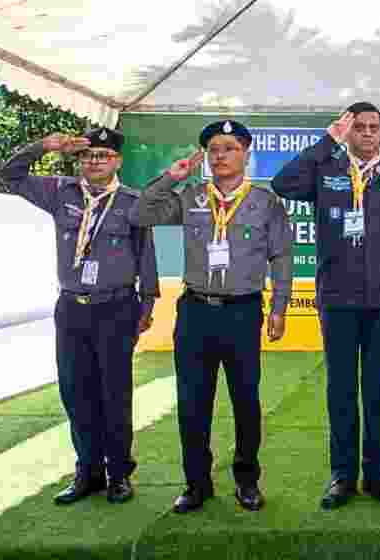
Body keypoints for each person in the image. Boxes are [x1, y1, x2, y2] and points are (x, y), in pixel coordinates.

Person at [129, 120, 292, 513]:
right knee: (192, 402)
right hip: (196, 312)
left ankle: (247, 480)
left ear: (246, 153)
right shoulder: (191, 197)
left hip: (242, 311)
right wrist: (170, 177)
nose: (220, 156)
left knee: (245, 402)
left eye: (229, 148)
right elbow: (140, 214)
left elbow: (281, 256)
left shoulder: (265, 202)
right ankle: (196, 484)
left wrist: (281, 306)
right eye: (213, 150)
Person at [270, 102, 380, 511]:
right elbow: (283, 184)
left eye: (375, 127)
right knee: (341, 390)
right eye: (359, 127)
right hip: (337, 299)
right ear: (348, 131)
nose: (368, 134)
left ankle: (378, 475)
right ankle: (343, 475)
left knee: (378, 391)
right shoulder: (326, 171)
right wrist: (327, 141)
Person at [0, 127, 159, 504]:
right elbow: (9, 177)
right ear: (78, 160)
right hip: (71, 309)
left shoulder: (133, 201)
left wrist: (146, 308)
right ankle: (88, 472)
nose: (94, 162)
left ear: (117, 160)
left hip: (116, 308)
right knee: (75, 391)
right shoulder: (60, 191)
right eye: (87, 156)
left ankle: (118, 473)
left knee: (114, 393)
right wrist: (43, 146)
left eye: (102, 155)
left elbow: (145, 256)